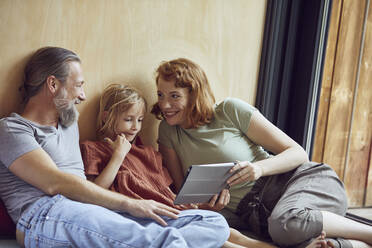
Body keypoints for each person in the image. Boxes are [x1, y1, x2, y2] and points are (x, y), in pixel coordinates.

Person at [0, 47, 230, 248]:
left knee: (212, 223)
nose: (82, 95)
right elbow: (55, 183)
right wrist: (130, 204)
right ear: (52, 84)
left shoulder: (68, 123)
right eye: (78, 86)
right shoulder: (12, 130)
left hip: (91, 207)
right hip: (45, 215)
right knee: (162, 241)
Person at [151, 58, 372, 248]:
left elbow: (298, 153)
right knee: (205, 225)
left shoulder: (229, 111)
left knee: (285, 224)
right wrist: (207, 207)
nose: (165, 104)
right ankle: (339, 243)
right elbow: (185, 196)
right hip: (254, 215)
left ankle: (367, 233)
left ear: (194, 94)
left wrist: (258, 168)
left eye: (174, 96)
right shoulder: (169, 131)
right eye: (160, 95)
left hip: (296, 183)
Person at [80, 83, 279, 248]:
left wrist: (200, 205)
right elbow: (94, 193)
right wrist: (118, 156)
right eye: (128, 119)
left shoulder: (146, 151)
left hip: (172, 209)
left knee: (232, 233)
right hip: (144, 216)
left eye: (139, 120)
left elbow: (168, 192)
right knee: (221, 238)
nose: (135, 127)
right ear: (106, 117)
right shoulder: (94, 149)